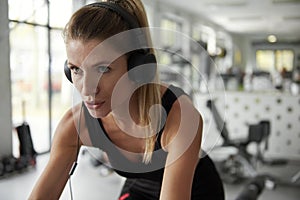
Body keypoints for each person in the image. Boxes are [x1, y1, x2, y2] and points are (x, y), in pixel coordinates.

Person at [29, 0, 224, 199]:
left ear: (137, 68)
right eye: (76, 69)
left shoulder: (181, 117)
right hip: (140, 186)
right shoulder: (75, 124)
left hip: (196, 189)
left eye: (103, 69)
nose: (87, 90)